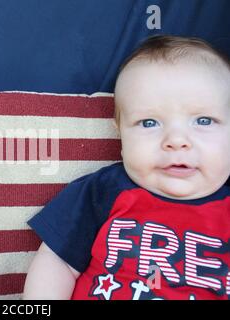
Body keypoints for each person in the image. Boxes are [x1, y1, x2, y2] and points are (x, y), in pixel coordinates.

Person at [23, 35, 230, 300]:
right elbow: (58, 264)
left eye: (204, 120)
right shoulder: (102, 192)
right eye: (149, 123)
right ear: (120, 133)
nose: (176, 141)